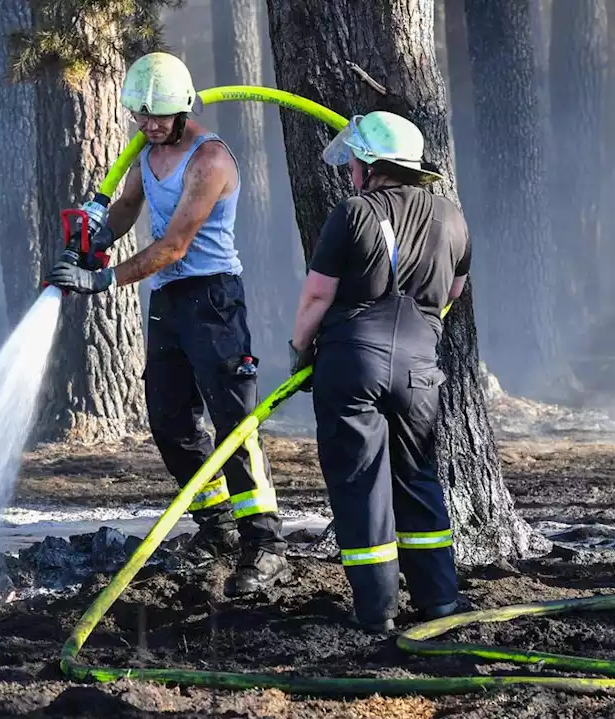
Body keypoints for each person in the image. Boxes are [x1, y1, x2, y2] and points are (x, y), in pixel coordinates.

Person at [48, 52, 290, 597]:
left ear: (184, 110)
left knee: (235, 423)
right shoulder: (147, 152)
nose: (150, 125)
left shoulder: (210, 162)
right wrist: (93, 242)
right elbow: (127, 207)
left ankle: (265, 543)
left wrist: (104, 280)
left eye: (160, 116)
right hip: (168, 301)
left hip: (213, 299)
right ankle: (217, 526)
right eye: (142, 115)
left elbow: (175, 245)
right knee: (169, 421)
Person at [287, 111, 469, 632]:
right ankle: (439, 601)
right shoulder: (452, 218)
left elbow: (318, 294)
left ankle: (378, 612)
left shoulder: (354, 213)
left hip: (352, 363)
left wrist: (299, 350)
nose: (350, 172)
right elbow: (453, 293)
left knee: (361, 484)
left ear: (370, 165)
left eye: (354, 162)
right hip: (419, 369)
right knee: (417, 478)